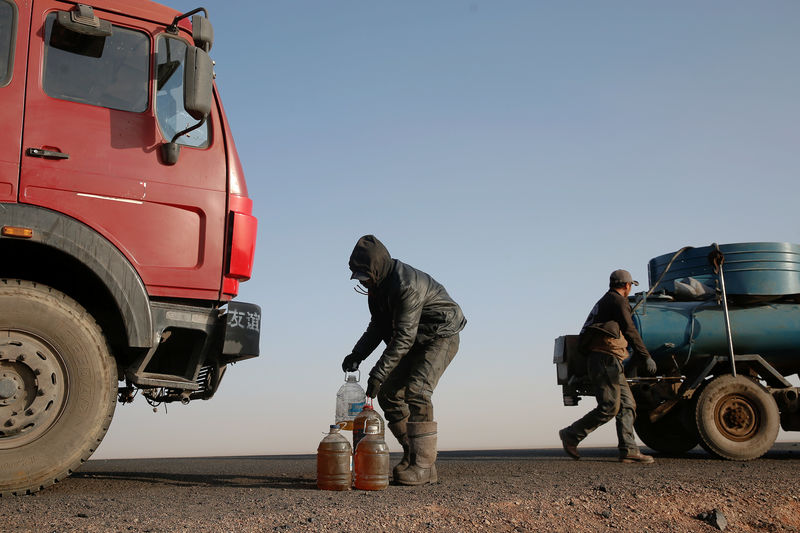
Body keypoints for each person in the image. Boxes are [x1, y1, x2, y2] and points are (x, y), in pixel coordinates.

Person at [342, 235, 466, 485]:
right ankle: (413, 455)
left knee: (418, 391)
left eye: (366, 276)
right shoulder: (376, 286)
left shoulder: (406, 285)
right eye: (360, 278)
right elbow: (378, 326)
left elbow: (403, 338)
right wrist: (357, 354)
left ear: (377, 268)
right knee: (388, 393)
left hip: (440, 335)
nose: (364, 283)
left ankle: (424, 466)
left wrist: (377, 373)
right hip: (415, 338)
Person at [558, 269, 658, 464]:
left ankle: (628, 449)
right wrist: (645, 356)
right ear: (627, 286)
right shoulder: (617, 301)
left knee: (628, 404)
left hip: (610, 360)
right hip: (604, 360)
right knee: (609, 407)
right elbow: (629, 329)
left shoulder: (606, 300)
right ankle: (572, 434)